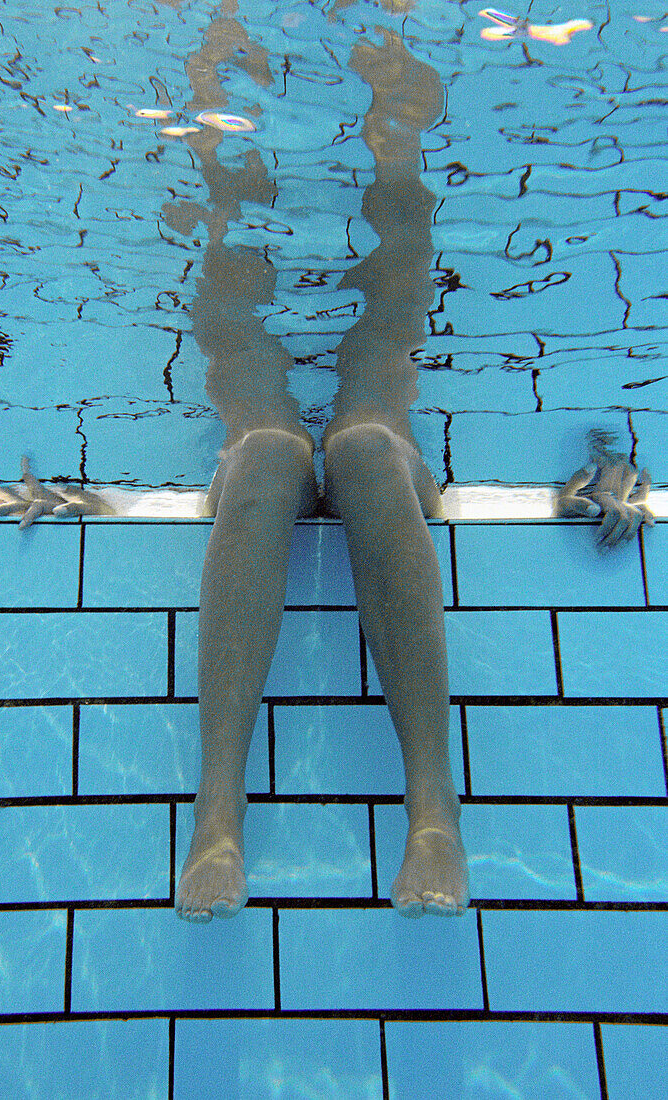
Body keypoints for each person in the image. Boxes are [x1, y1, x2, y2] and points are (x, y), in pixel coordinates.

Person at [169, 8, 468, 922]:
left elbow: (395, 319)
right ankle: (216, 818)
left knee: (368, 450)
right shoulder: (227, 230)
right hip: (260, 427)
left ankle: (434, 815)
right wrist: (216, 64)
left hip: (380, 427)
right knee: (264, 453)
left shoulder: (398, 206)